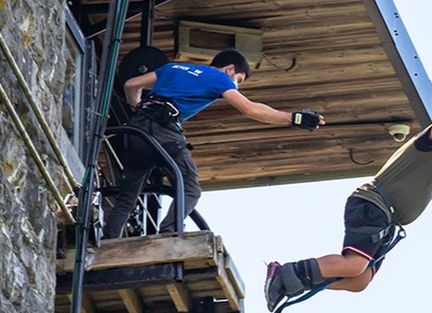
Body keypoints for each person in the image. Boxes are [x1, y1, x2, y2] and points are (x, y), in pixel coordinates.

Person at [264, 79, 432, 310]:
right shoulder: (431, 144)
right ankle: (285, 273)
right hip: (374, 204)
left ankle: (298, 282)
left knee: (360, 280)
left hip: (387, 222)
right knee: (354, 265)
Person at [103, 48, 324, 238]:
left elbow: (131, 84)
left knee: (127, 197)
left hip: (135, 131)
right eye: (238, 80)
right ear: (230, 69)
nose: (236, 86)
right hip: (164, 131)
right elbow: (250, 108)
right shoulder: (220, 78)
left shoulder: (172, 68)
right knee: (190, 189)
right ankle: (168, 235)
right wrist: (293, 118)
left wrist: (138, 109)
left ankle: (108, 241)